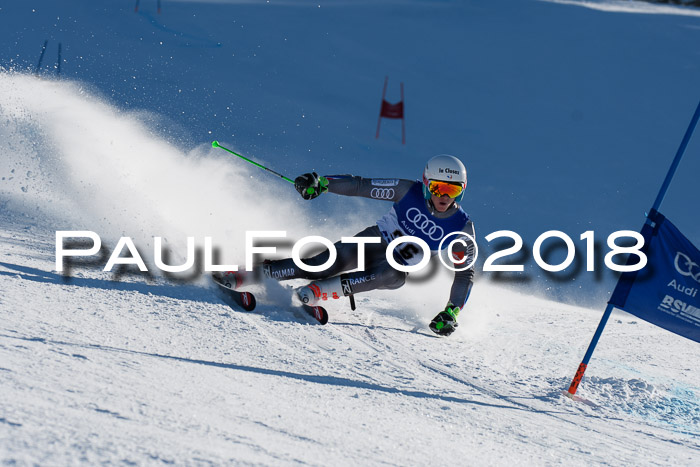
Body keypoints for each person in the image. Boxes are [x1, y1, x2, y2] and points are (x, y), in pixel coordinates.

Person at [220, 154, 476, 337]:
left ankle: (317, 292)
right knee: (321, 264)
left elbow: (465, 273)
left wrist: (451, 312)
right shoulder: (407, 190)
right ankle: (250, 273)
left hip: (394, 267)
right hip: (374, 241)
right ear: (426, 183)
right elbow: (362, 186)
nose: (444, 196)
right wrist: (323, 184)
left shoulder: (461, 227)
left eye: (452, 191)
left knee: (392, 273)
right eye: (438, 187)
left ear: (461, 192)